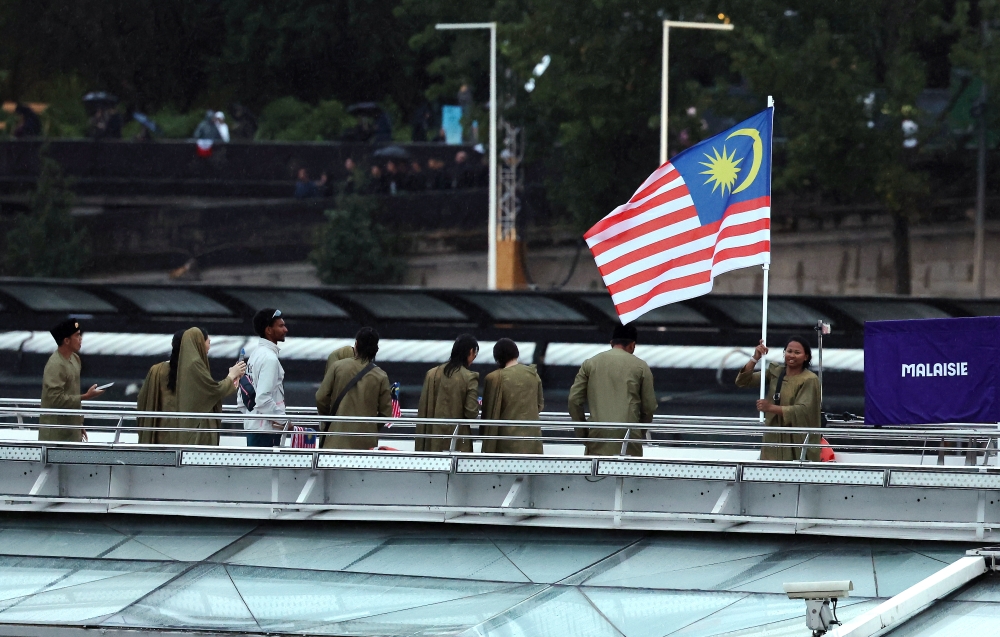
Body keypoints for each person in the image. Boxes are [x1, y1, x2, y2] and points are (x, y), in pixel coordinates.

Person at [567, 324, 657, 456]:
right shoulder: (641, 367)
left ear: (611, 343)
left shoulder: (589, 364)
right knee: (626, 474)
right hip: (629, 435)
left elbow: (574, 400)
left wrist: (584, 433)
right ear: (632, 345)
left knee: (598, 474)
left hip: (597, 434)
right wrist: (638, 432)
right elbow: (649, 407)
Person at [736, 337, 823, 461]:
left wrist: (770, 408)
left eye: (797, 353)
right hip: (773, 438)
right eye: (789, 351)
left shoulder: (810, 379)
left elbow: (803, 410)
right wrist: (755, 358)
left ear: (806, 357)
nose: (792, 355)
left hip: (797, 440)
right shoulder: (775, 372)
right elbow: (743, 381)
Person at [315, 327, 392, 449]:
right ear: (376, 349)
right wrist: (368, 427)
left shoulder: (337, 367)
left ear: (356, 344)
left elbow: (321, 397)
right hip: (366, 443)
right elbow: (386, 413)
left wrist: (330, 419)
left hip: (336, 440)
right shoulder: (381, 376)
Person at [173, 327, 246, 446]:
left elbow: (210, 389)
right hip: (198, 427)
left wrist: (233, 377)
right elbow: (212, 391)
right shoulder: (195, 363)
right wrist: (231, 375)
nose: (209, 347)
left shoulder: (189, 363)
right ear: (200, 342)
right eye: (208, 342)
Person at [39, 319, 105, 442]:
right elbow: (55, 398)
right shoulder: (55, 364)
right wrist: (85, 396)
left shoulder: (75, 359)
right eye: (77, 335)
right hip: (55, 434)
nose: (80, 339)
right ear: (66, 340)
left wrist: (78, 423)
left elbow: (72, 392)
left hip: (71, 429)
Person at [415, 334, 480, 452]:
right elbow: (471, 412)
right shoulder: (469, 377)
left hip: (431, 442)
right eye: (475, 354)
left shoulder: (432, 374)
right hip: (458, 444)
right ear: (470, 351)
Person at [481, 338, 545, 454]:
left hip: (504, 441)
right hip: (532, 441)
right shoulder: (533, 374)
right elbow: (539, 405)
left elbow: (488, 411)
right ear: (516, 353)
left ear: (497, 357)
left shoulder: (494, 378)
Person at [239, 309, 289, 448]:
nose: (285, 329)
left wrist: (252, 417)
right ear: (268, 330)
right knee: (268, 470)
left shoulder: (255, 355)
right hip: (266, 431)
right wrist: (284, 421)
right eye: (280, 326)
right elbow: (263, 398)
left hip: (254, 428)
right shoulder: (269, 359)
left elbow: (242, 398)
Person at [136, 330, 184, 444]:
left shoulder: (157, 370)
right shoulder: (195, 372)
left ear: (172, 344)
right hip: (185, 437)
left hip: (158, 434)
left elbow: (142, 398)